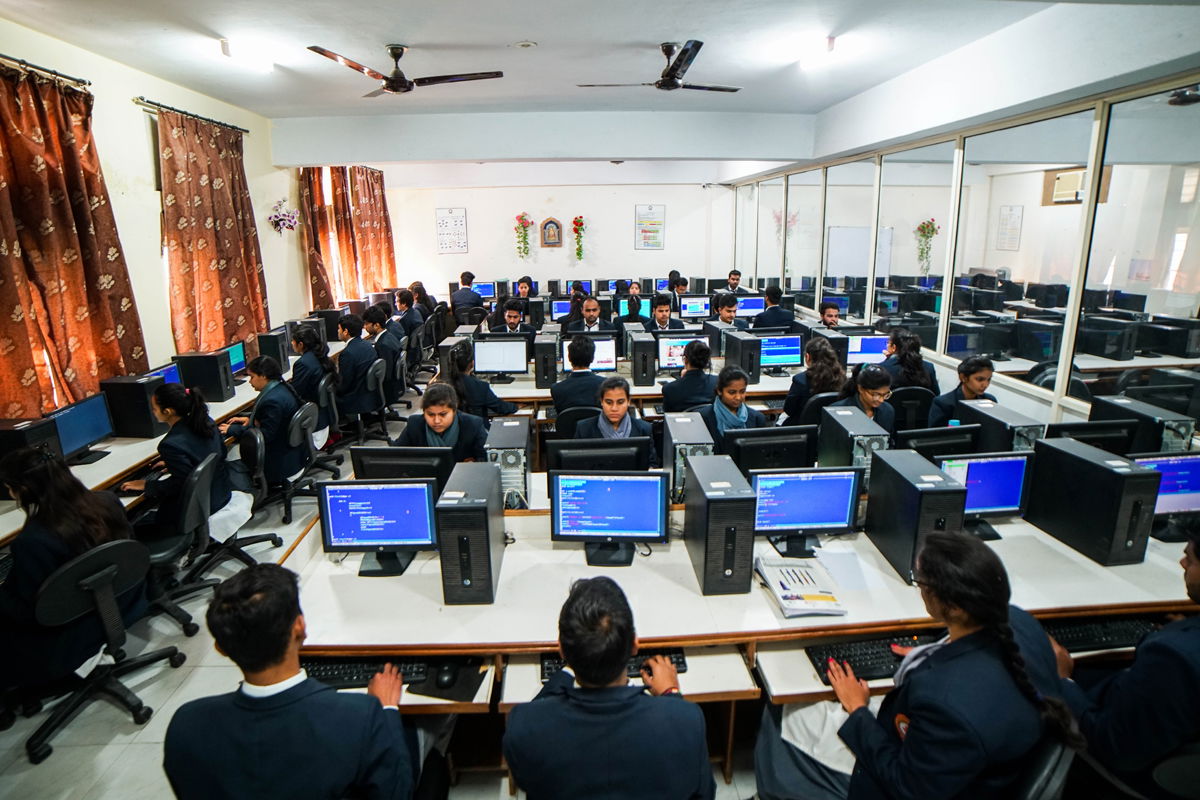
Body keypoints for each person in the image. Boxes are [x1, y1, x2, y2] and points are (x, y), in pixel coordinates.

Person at [811, 532, 1080, 800]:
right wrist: (936, 652)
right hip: (990, 771)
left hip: (922, 787)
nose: (920, 589)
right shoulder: (1023, 623)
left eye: (922, 583)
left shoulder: (943, 702)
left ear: (951, 606)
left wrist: (858, 710)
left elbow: (907, 788)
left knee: (794, 719)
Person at [163, 564, 420, 799]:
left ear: (221, 648)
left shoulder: (185, 725)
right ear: (300, 627)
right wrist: (387, 709)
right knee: (422, 727)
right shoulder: (359, 716)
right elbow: (397, 793)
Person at [503, 576, 715, 800]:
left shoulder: (524, 727)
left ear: (562, 650)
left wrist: (564, 673)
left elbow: (529, 781)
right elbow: (704, 794)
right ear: (634, 645)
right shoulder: (686, 721)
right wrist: (671, 695)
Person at [1052, 525, 1200, 798]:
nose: (1181, 562)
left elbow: (1113, 746)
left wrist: (1063, 679)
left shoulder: (1173, 658)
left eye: (1190, 559)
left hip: (1142, 771)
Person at [0, 447, 147, 692]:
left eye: (9, 487)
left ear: (24, 490)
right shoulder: (107, 501)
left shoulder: (33, 541)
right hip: (124, 602)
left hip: (74, 632)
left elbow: (33, 613)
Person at [122, 382, 234, 538]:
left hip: (199, 507)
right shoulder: (205, 421)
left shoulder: (170, 444)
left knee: (135, 524)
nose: (153, 412)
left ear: (167, 412)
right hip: (221, 493)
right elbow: (217, 453)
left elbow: (180, 485)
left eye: (154, 408)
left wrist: (147, 485)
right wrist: (178, 464)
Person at [221, 357, 306, 486]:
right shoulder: (281, 388)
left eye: (252, 377)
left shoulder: (272, 401)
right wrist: (251, 419)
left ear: (264, 376)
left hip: (279, 463)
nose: (250, 382)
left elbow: (264, 435)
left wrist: (231, 429)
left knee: (228, 456)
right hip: (293, 455)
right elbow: (275, 419)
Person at [575, 377, 660, 467]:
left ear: (628, 401)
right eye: (609, 402)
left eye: (620, 402)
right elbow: (575, 464)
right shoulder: (583, 429)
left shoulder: (644, 429)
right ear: (601, 402)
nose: (614, 408)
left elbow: (652, 464)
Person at [391, 382, 487, 462]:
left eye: (443, 414)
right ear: (423, 411)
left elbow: (486, 459)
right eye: (431, 415)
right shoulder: (414, 424)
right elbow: (395, 456)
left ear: (454, 410)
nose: (436, 421)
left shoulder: (473, 425)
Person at [438, 339, 517, 425]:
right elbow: (501, 408)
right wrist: (516, 406)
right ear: (472, 364)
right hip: (478, 434)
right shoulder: (480, 387)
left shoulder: (440, 387)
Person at [698, 365, 769, 452]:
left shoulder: (757, 418)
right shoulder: (703, 418)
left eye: (742, 392)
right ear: (719, 391)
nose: (738, 397)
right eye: (732, 392)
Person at [289, 325, 338, 443]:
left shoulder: (303, 363)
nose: (291, 343)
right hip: (323, 414)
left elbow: (296, 394)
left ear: (301, 344)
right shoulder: (321, 355)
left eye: (293, 341)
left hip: (311, 418)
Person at [782, 337, 845, 420]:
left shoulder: (800, 380)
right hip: (830, 426)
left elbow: (788, 410)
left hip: (802, 428)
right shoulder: (843, 378)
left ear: (807, 357)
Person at [928, 355, 996, 427]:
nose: (985, 384)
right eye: (979, 379)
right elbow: (934, 436)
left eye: (988, 380)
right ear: (963, 377)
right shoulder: (943, 404)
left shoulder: (989, 401)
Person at [831, 363, 896, 435]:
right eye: (876, 394)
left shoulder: (887, 411)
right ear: (861, 389)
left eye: (885, 395)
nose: (881, 400)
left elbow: (890, 442)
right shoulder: (837, 411)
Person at [334, 314, 377, 417]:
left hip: (355, 399)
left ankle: (335, 430)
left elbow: (344, 385)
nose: (337, 331)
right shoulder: (368, 345)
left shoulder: (347, 354)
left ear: (346, 331)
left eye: (339, 329)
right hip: (371, 394)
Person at [551, 335, 605, 414]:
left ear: (569, 358)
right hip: (596, 426)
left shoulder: (556, 389)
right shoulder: (605, 385)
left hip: (569, 426)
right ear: (592, 358)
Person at [363, 306, 404, 404]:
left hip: (389, 390)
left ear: (376, 325)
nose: (365, 327)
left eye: (366, 324)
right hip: (397, 384)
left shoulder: (382, 345)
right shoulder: (389, 336)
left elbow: (385, 375)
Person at [663, 340, 718, 412]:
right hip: (709, 423)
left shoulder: (669, 389)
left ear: (685, 360)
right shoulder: (718, 383)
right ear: (707, 361)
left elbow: (668, 417)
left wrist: (681, 381)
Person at [880, 328, 939, 393]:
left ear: (894, 347)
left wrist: (889, 360)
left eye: (888, 343)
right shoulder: (929, 367)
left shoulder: (884, 368)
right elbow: (936, 394)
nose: (887, 345)